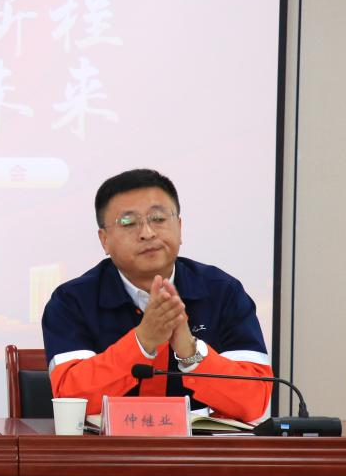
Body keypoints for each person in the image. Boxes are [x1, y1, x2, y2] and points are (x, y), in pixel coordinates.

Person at [41, 168, 272, 421]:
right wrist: (142, 341)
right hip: (106, 446)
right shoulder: (72, 301)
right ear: (104, 240)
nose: (147, 233)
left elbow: (254, 400)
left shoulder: (223, 292)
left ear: (180, 227)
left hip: (198, 446)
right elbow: (71, 400)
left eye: (159, 219)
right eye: (128, 223)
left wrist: (190, 352)